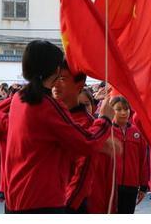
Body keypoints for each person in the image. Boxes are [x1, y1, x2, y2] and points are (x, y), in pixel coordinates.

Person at [0, 40, 116, 213]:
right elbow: (86, 142)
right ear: (56, 70)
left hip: (16, 198)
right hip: (42, 201)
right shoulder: (48, 105)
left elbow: (5, 123)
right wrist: (105, 119)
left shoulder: (21, 98)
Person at [51, 60, 95, 213]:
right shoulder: (46, 115)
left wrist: (67, 207)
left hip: (68, 204)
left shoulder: (88, 124)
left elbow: (82, 174)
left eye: (62, 79)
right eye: (53, 78)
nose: (55, 84)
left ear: (80, 84)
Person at [110, 96, 149, 214]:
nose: (123, 112)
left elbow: (143, 160)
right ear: (111, 110)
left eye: (126, 109)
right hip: (111, 185)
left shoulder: (136, 132)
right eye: (119, 109)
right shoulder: (107, 130)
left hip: (131, 186)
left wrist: (143, 186)